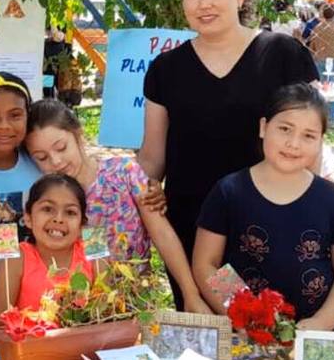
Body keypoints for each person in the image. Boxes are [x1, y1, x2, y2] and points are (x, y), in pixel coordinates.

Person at [138, 0, 319, 309]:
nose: (204, 3)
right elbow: (152, 158)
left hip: (269, 230)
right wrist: (117, 185)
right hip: (194, 238)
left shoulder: (284, 55)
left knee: (267, 334)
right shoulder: (166, 70)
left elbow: (311, 144)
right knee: (214, 339)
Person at [193, 84, 334, 328]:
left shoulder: (332, 199)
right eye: (285, 129)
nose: (293, 143)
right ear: (264, 127)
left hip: (314, 339)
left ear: (321, 141)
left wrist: (320, 323)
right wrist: (248, 316)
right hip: (244, 335)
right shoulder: (228, 191)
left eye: (308, 135)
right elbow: (205, 264)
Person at [25, 99, 212, 313]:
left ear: (78, 134)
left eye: (61, 147)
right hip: (78, 312)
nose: (56, 161)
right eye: (42, 157)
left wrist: (190, 293)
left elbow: (162, 233)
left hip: (137, 305)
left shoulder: (124, 172)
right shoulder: (49, 199)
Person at [0, 173, 94, 320]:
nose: (58, 219)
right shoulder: (15, 258)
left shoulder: (94, 250)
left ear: (82, 225)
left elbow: (108, 316)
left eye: (70, 212)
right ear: (28, 218)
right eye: (47, 209)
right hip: (27, 342)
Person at [307, 4, 334, 124]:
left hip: (319, 59)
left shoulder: (317, 28)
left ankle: (320, 117)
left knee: (320, 88)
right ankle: (332, 119)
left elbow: (312, 46)